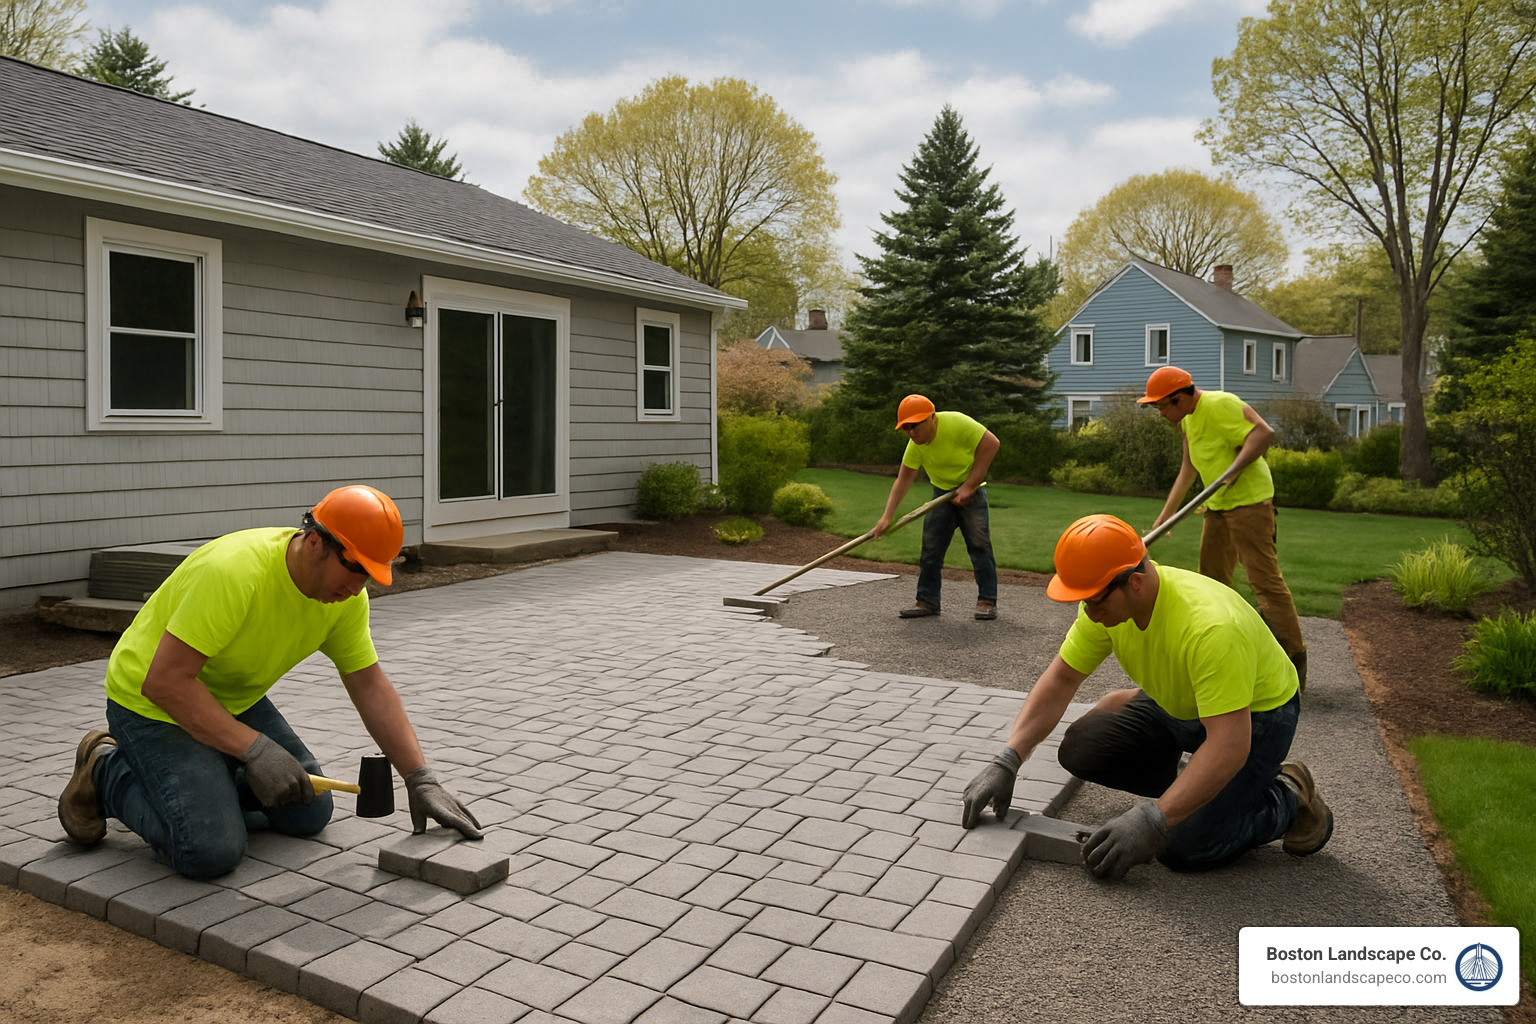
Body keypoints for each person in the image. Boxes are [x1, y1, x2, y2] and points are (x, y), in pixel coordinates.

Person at [57, 484, 482, 879]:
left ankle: (207, 778)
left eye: (369, 575)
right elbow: (166, 683)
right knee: (209, 850)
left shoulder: (345, 600)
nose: (357, 587)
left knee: (308, 812)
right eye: (354, 568)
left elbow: (369, 685)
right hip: (151, 703)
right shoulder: (234, 573)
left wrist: (419, 777)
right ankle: (106, 773)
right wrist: (254, 749)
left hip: (232, 700)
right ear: (315, 540)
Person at [960, 514, 1331, 879]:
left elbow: (1231, 745)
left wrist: (1154, 819)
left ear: (1134, 583)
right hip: (1185, 701)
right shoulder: (1104, 603)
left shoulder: (1212, 628)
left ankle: (1287, 797)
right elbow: (1061, 679)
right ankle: (1201, 786)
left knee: (1186, 844)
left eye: (1096, 602)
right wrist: (1008, 759)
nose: (1089, 611)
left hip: (1256, 717)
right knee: (1083, 746)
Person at [1140, 366, 1309, 689]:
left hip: (1249, 505)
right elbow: (1188, 468)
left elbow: (1263, 433)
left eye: (1162, 406)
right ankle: (1220, 653)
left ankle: (1293, 659)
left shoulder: (1220, 404)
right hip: (1216, 508)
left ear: (1180, 398)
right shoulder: (1188, 419)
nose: (1160, 413)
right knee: (1211, 582)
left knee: (1265, 582)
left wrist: (1231, 472)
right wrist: (1166, 515)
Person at [874, 394, 1002, 620]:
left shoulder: (957, 423)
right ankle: (927, 601)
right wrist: (887, 517)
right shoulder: (915, 445)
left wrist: (969, 485)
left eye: (915, 426)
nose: (911, 433)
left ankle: (986, 600)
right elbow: (903, 480)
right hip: (941, 494)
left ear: (932, 418)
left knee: (979, 545)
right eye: (906, 428)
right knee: (931, 547)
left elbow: (992, 444)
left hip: (971, 494)